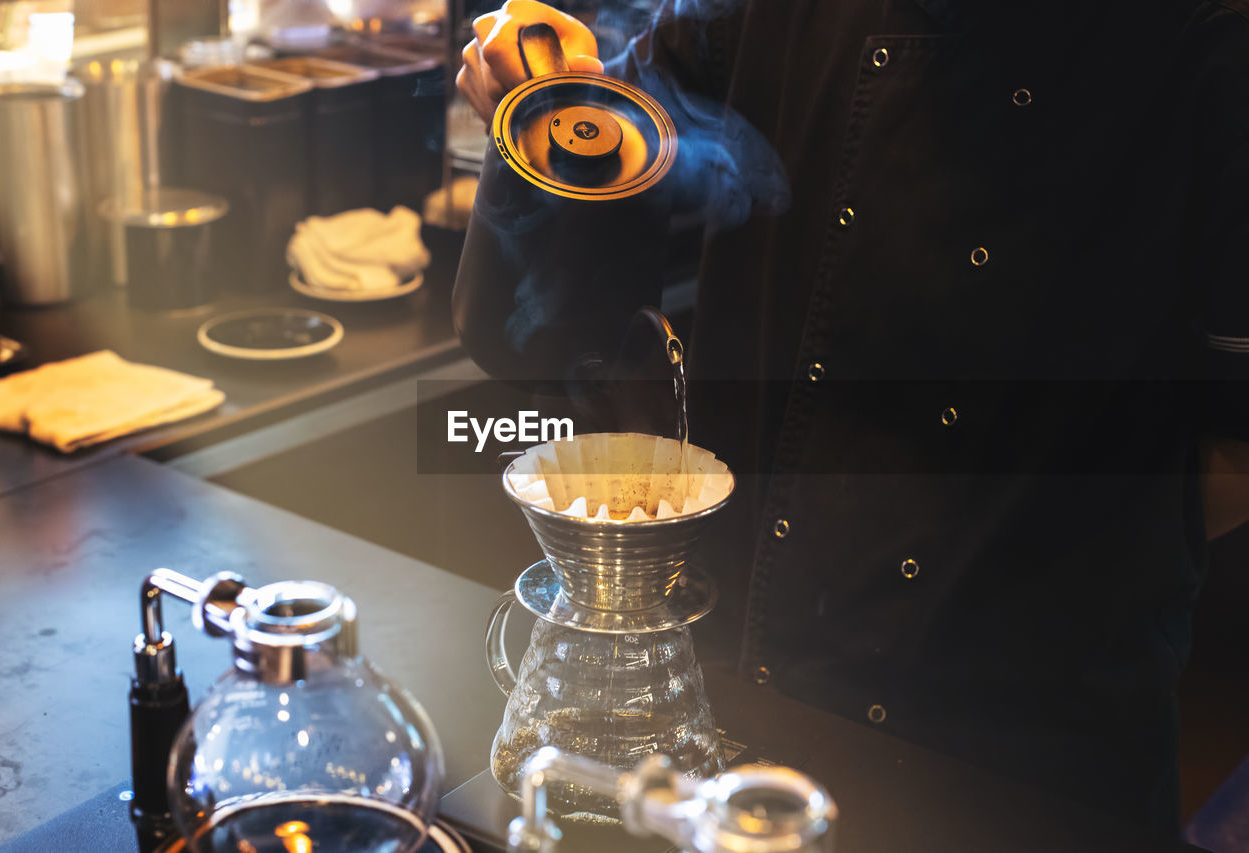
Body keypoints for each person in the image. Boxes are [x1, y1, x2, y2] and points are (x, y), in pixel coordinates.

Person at [456, 0, 1249, 835]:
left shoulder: (1211, 36)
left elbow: (1234, 457)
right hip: (739, 720)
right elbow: (541, 332)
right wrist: (542, 110)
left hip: (1027, 758)